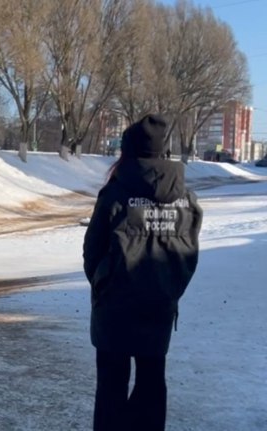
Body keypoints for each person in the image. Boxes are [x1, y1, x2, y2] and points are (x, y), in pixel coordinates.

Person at [83, 114, 203, 431]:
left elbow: (92, 251)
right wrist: (168, 288)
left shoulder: (115, 193)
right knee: (152, 383)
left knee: (111, 387)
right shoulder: (186, 199)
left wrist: (104, 282)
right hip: (159, 307)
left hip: (114, 309)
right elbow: (189, 254)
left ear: (127, 151)